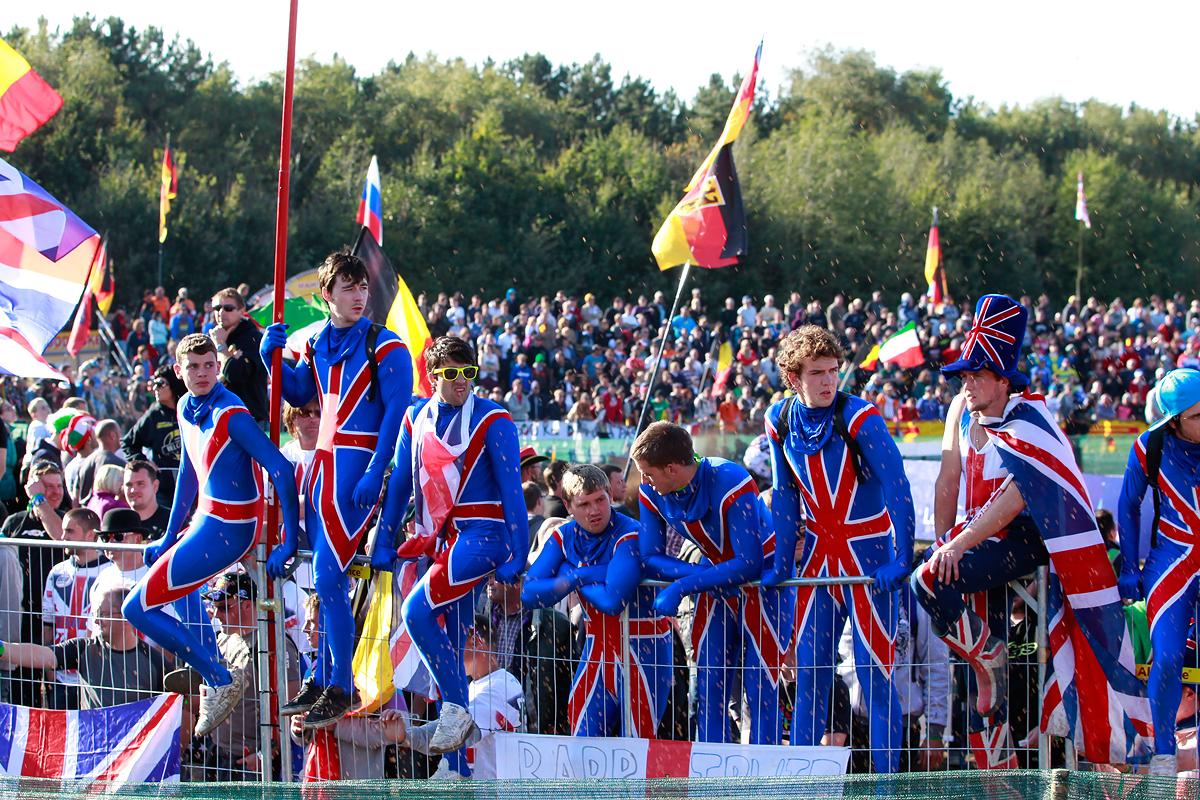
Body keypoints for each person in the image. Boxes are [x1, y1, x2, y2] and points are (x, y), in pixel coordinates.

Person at [912, 293, 1151, 768]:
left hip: (1022, 543)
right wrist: (945, 544)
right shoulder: (960, 409)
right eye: (964, 374)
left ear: (1003, 378)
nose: (968, 383)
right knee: (982, 702)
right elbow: (947, 478)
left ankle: (993, 660)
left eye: (977, 374)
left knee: (929, 582)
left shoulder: (1032, 417)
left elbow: (1015, 498)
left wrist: (958, 544)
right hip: (975, 541)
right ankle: (995, 776)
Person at [121, 334, 301, 738]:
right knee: (178, 590)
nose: (201, 374)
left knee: (135, 608)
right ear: (179, 371)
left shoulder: (231, 413)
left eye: (208, 365)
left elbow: (281, 469)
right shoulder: (185, 406)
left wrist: (287, 540)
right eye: (193, 367)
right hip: (206, 520)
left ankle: (217, 677)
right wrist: (169, 536)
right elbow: (189, 472)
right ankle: (210, 663)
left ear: (217, 366)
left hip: (230, 529)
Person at [261, 252, 413, 729]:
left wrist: (376, 469)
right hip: (324, 468)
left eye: (362, 286)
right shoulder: (319, 342)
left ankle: (341, 683)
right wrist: (272, 358)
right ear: (326, 294)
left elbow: (395, 413)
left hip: (355, 472)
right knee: (324, 583)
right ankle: (322, 676)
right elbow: (300, 391)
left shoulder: (386, 345)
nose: (359, 295)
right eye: (347, 287)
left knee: (327, 578)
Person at [762, 324, 912, 773]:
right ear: (793, 378)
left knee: (875, 680)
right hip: (817, 568)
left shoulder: (860, 416)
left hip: (869, 562)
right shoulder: (779, 419)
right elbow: (784, 494)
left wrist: (902, 558)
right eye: (817, 373)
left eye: (833, 371)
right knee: (809, 680)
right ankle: (806, 784)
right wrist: (784, 564)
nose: (828, 381)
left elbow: (897, 484)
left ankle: (887, 789)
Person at [372, 335, 527, 755]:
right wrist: (384, 538)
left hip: (483, 537)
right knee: (454, 642)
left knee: (416, 612)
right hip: (444, 539)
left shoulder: (494, 419)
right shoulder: (414, 419)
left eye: (469, 373)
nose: (462, 382)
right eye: (452, 373)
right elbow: (400, 482)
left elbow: (514, 491)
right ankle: (458, 758)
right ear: (432, 375)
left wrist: (519, 551)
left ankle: (456, 710)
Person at [633, 421, 791, 745]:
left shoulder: (730, 478)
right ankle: (712, 779)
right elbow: (650, 556)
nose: (644, 481)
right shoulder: (652, 490)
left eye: (648, 473)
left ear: (673, 468)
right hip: (712, 583)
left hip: (763, 586)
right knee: (709, 687)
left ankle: (766, 784)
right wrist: (696, 579)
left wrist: (682, 586)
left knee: (761, 690)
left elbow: (749, 563)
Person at [522, 464, 671, 737]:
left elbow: (612, 600)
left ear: (609, 495)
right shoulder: (564, 536)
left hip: (644, 651)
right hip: (597, 647)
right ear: (567, 505)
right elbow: (529, 593)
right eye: (584, 504)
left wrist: (573, 575)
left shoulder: (630, 532)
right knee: (582, 742)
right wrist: (584, 578)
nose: (595, 511)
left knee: (636, 749)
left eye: (600, 499)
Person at [1118, 367, 1200, 775]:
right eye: (1198, 416)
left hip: (1180, 560)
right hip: (1171, 562)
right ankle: (1165, 754)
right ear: (1175, 421)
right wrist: (1129, 567)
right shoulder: (1148, 445)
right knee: (1167, 658)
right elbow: (1127, 506)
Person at [0, 585, 164, 709]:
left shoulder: (155, 662)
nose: (97, 622)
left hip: (134, 751)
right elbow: (43, 655)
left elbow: (180, 704)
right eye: (96, 615)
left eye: (104, 615)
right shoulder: (84, 649)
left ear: (126, 616)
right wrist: (2, 649)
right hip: (92, 746)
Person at [39, 508, 107, 708]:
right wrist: (49, 669)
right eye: (62, 531)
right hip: (62, 676)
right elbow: (47, 624)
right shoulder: (57, 572)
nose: (62, 537)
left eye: (69, 531)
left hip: (98, 677)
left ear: (90, 535)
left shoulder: (110, 571)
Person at [121, 366, 184, 502]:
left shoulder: (188, 409)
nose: (155, 388)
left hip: (193, 481)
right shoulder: (153, 415)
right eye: (153, 384)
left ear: (173, 384)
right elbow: (127, 443)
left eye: (160, 384)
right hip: (165, 489)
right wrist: (144, 462)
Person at [209, 287, 269, 424]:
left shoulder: (253, 338)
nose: (221, 312)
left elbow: (235, 374)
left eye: (228, 308)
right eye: (217, 308)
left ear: (242, 311)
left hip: (249, 417)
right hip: (220, 415)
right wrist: (229, 356)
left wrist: (221, 347)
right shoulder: (214, 336)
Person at [122, 459, 172, 537]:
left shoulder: (173, 522)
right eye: (129, 485)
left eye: (140, 484)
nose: (133, 490)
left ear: (155, 486)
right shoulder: (118, 524)